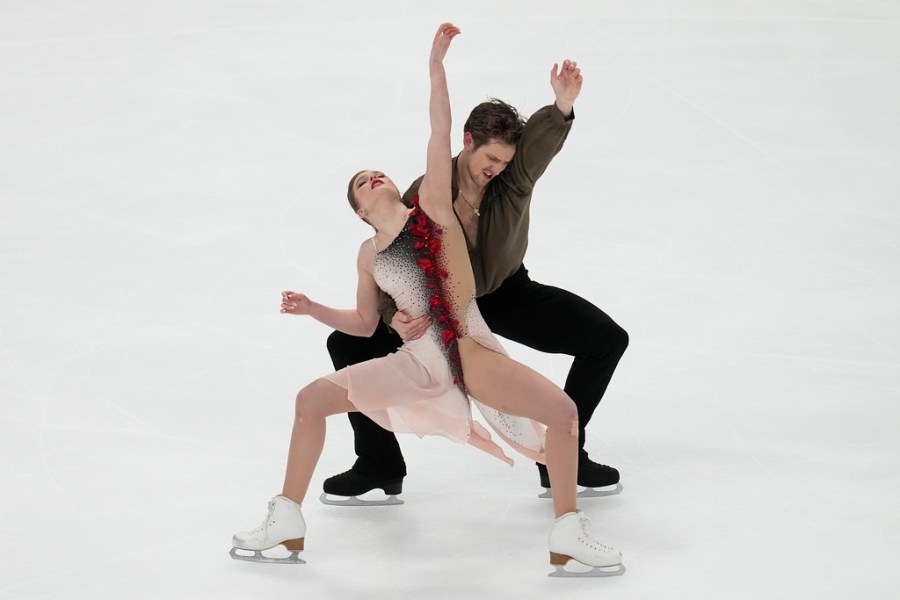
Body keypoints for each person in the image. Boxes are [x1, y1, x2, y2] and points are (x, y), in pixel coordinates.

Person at [231, 23, 624, 577]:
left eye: (378, 172)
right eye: (362, 182)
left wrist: (436, 67)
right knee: (311, 397)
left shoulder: (434, 207)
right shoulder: (368, 255)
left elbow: (440, 129)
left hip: (466, 344)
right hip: (418, 361)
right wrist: (329, 310)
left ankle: (568, 531)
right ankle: (290, 516)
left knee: (563, 413)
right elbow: (363, 322)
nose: (373, 177)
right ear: (359, 211)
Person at [323, 50, 629, 505]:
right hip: (442, 309)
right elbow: (394, 261)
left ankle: (563, 457)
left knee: (606, 339)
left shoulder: (513, 179)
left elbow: (538, 148)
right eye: (491, 158)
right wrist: (391, 318)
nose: (498, 169)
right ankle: (378, 464)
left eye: (506, 160)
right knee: (346, 344)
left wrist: (562, 106)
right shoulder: (427, 192)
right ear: (467, 142)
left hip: (507, 293)